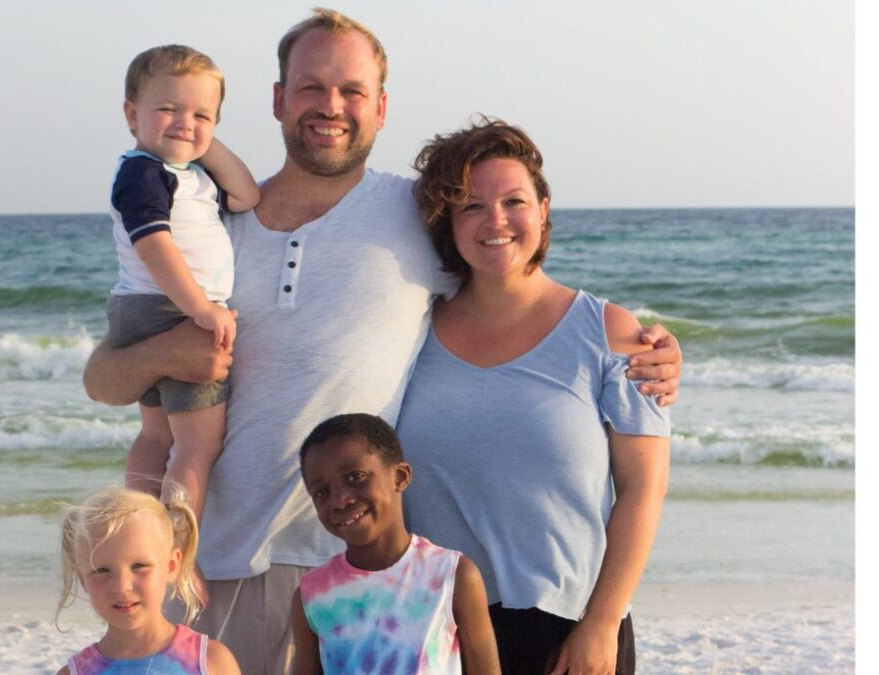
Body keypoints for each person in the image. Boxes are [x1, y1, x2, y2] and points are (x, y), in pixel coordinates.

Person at [82, 10, 683, 674]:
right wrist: (165, 355)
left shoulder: (413, 215)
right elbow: (104, 380)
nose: (330, 107)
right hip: (208, 568)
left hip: (358, 576)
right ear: (279, 99)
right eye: (311, 88)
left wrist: (635, 342)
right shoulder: (211, 217)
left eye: (352, 91)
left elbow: (510, 273)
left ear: (381, 107)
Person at [397, 118, 672, 675]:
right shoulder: (408, 330)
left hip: (571, 632)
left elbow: (643, 490)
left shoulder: (609, 331)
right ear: (446, 222)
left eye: (513, 201)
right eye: (471, 206)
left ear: (543, 208)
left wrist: (601, 625)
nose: (495, 220)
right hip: (437, 630)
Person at [106, 44, 260, 520]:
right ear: (133, 115)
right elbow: (154, 245)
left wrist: (204, 142)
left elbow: (247, 194)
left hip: (149, 307)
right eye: (169, 109)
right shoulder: (143, 172)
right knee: (198, 446)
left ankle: (141, 530)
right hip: (169, 308)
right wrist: (200, 308)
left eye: (202, 115)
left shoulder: (189, 173)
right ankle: (179, 547)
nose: (184, 123)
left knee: (158, 436)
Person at [290, 413, 500, 675]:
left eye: (355, 477)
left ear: (400, 477)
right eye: (322, 491)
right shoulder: (312, 595)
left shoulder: (453, 575)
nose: (340, 500)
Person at [55, 485, 241, 675]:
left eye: (139, 566)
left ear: (171, 566)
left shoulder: (211, 662)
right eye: (101, 570)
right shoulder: (75, 673)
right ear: (83, 579)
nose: (121, 586)